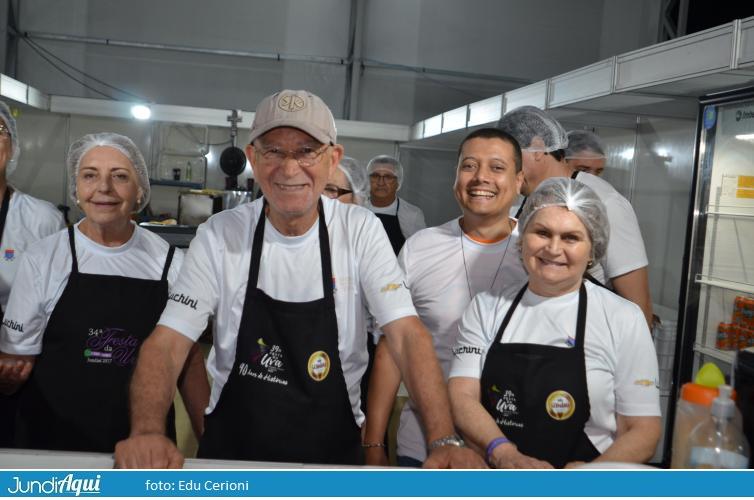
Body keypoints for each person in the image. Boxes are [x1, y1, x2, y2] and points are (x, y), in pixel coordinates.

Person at [113, 89, 485, 469]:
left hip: (332, 460)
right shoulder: (221, 234)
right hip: (235, 458)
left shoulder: (359, 230)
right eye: (274, 151)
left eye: (307, 151)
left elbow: (406, 335)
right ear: (253, 158)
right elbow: (167, 344)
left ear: (332, 158)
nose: (289, 169)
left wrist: (443, 438)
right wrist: (147, 431)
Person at [0, 133, 208, 452]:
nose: (104, 188)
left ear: (140, 190)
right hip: (51, 445)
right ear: (76, 188)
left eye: (120, 176)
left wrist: (211, 444)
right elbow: (17, 361)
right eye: (90, 175)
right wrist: (9, 371)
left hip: (139, 447)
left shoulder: (171, 264)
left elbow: (188, 361)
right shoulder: (44, 258)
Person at [448, 177, 661, 469]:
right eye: (542, 232)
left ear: (592, 249)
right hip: (499, 474)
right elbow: (462, 396)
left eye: (571, 238)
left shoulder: (623, 318)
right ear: (523, 237)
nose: (553, 248)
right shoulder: (486, 307)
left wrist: (588, 476)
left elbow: (644, 431)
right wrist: (504, 453)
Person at [364, 128, 529, 467]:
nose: (481, 177)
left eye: (497, 167)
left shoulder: (538, 254)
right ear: (455, 177)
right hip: (425, 447)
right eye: (469, 166)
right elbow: (392, 349)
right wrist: (374, 443)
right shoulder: (422, 247)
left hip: (519, 449)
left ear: (519, 181)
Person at [498, 106, 653, 326]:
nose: (506, 168)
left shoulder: (604, 201)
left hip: (586, 334)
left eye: (511, 158)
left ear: (538, 147)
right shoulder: (524, 199)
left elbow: (639, 307)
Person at [0, 102, 64, 447]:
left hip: (20, 360)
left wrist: (22, 357)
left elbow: (58, 299)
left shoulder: (42, 219)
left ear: (12, 146)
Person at [366, 155, 426, 255]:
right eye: (375, 176)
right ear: (368, 180)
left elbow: (420, 252)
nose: (381, 182)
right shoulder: (357, 209)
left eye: (388, 177)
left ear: (398, 182)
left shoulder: (412, 215)